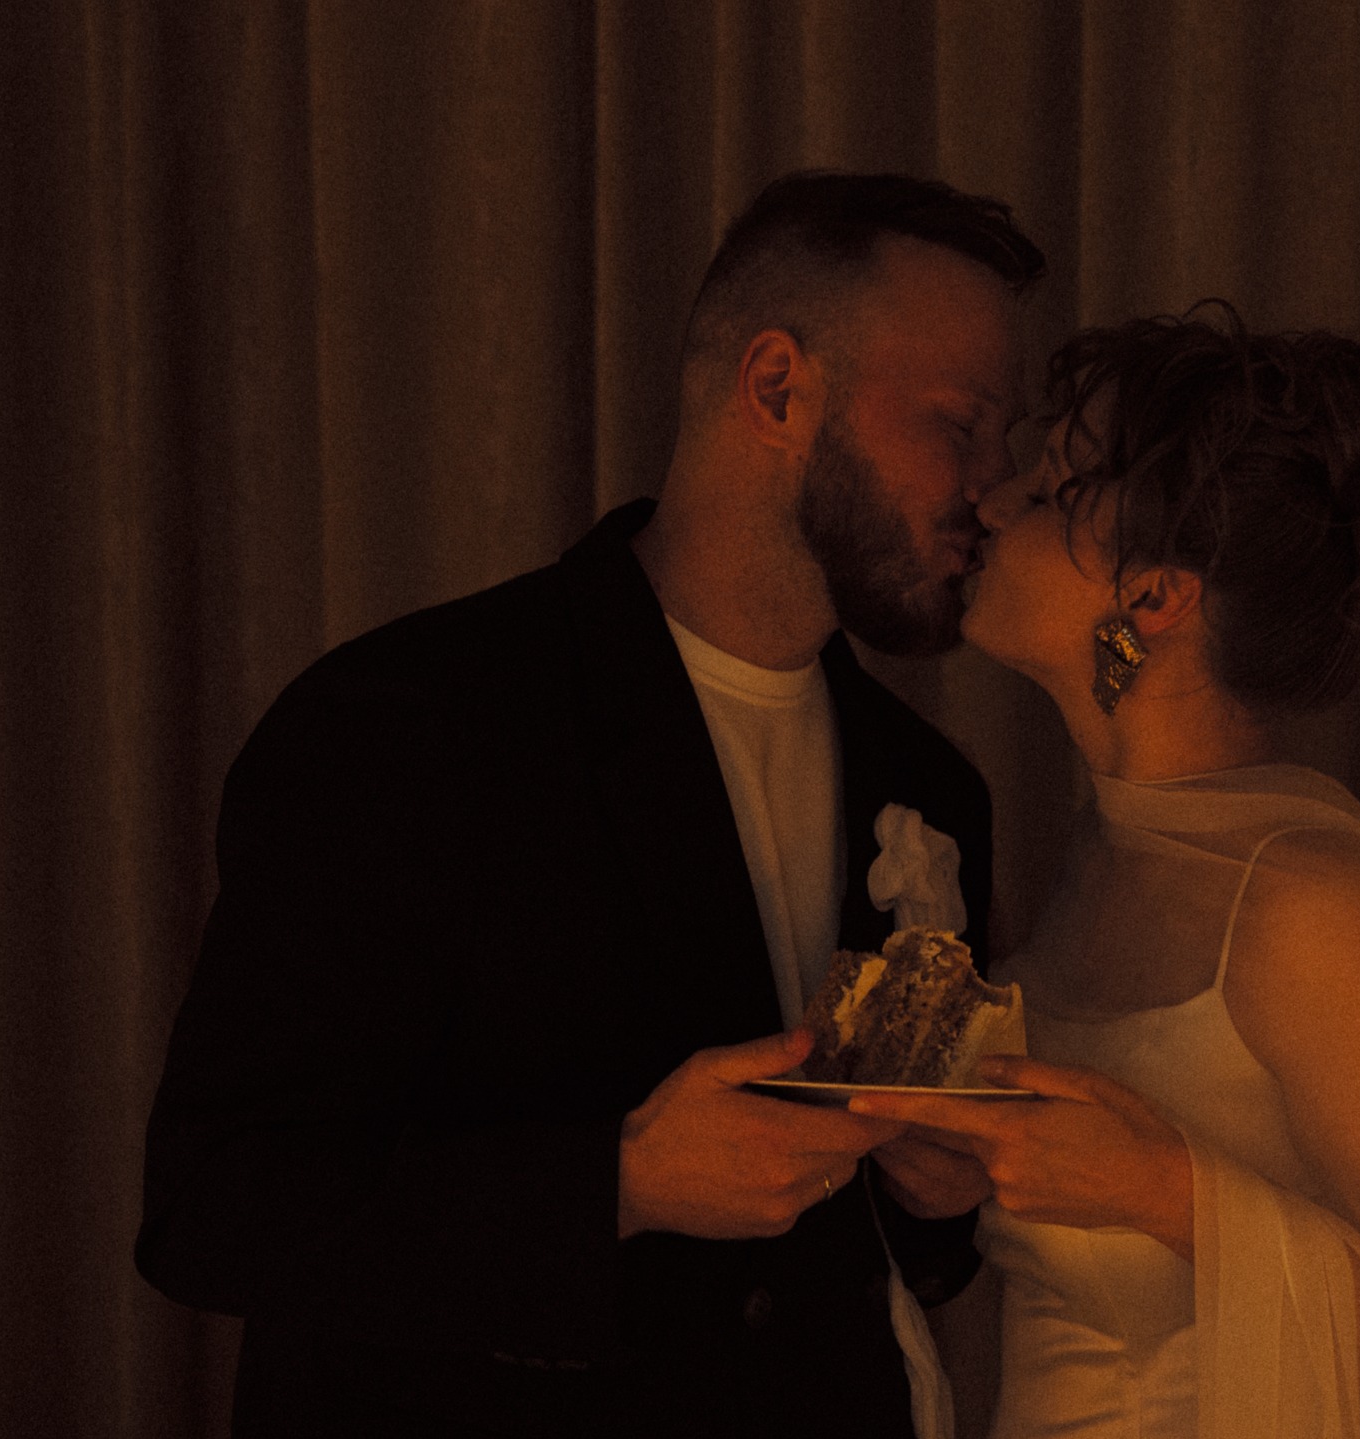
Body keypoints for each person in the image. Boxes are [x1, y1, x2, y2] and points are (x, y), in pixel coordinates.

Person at [136, 171, 1043, 1437]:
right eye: (963, 423)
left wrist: (934, 1198)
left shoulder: (931, 786)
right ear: (777, 387)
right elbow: (213, 1204)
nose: (998, 488)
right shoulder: (407, 721)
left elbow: (891, 1265)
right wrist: (615, 1184)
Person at [850, 305, 1360, 1437]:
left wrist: (1165, 1189)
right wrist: (970, 1166)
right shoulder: (1101, 852)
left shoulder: (1307, 904)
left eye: (1049, 487)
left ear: (1152, 595)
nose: (991, 502)